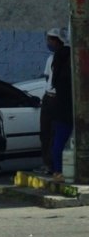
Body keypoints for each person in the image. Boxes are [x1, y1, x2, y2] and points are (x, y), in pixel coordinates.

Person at [34, 28, 63, 175]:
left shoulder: (64, 57)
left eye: (50, 40)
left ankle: (53, 164)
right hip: (48, 97)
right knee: (45, 132)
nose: (48, 43)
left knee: (54, 132)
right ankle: (46, 162)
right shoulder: (50, 59)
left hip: (57, 98)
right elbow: (47, 78)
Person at [49, 29, 72, 183]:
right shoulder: (68, 56)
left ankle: (58, 171)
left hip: (61, 106)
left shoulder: (57, 58)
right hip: (71, 107)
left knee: (59, 140)